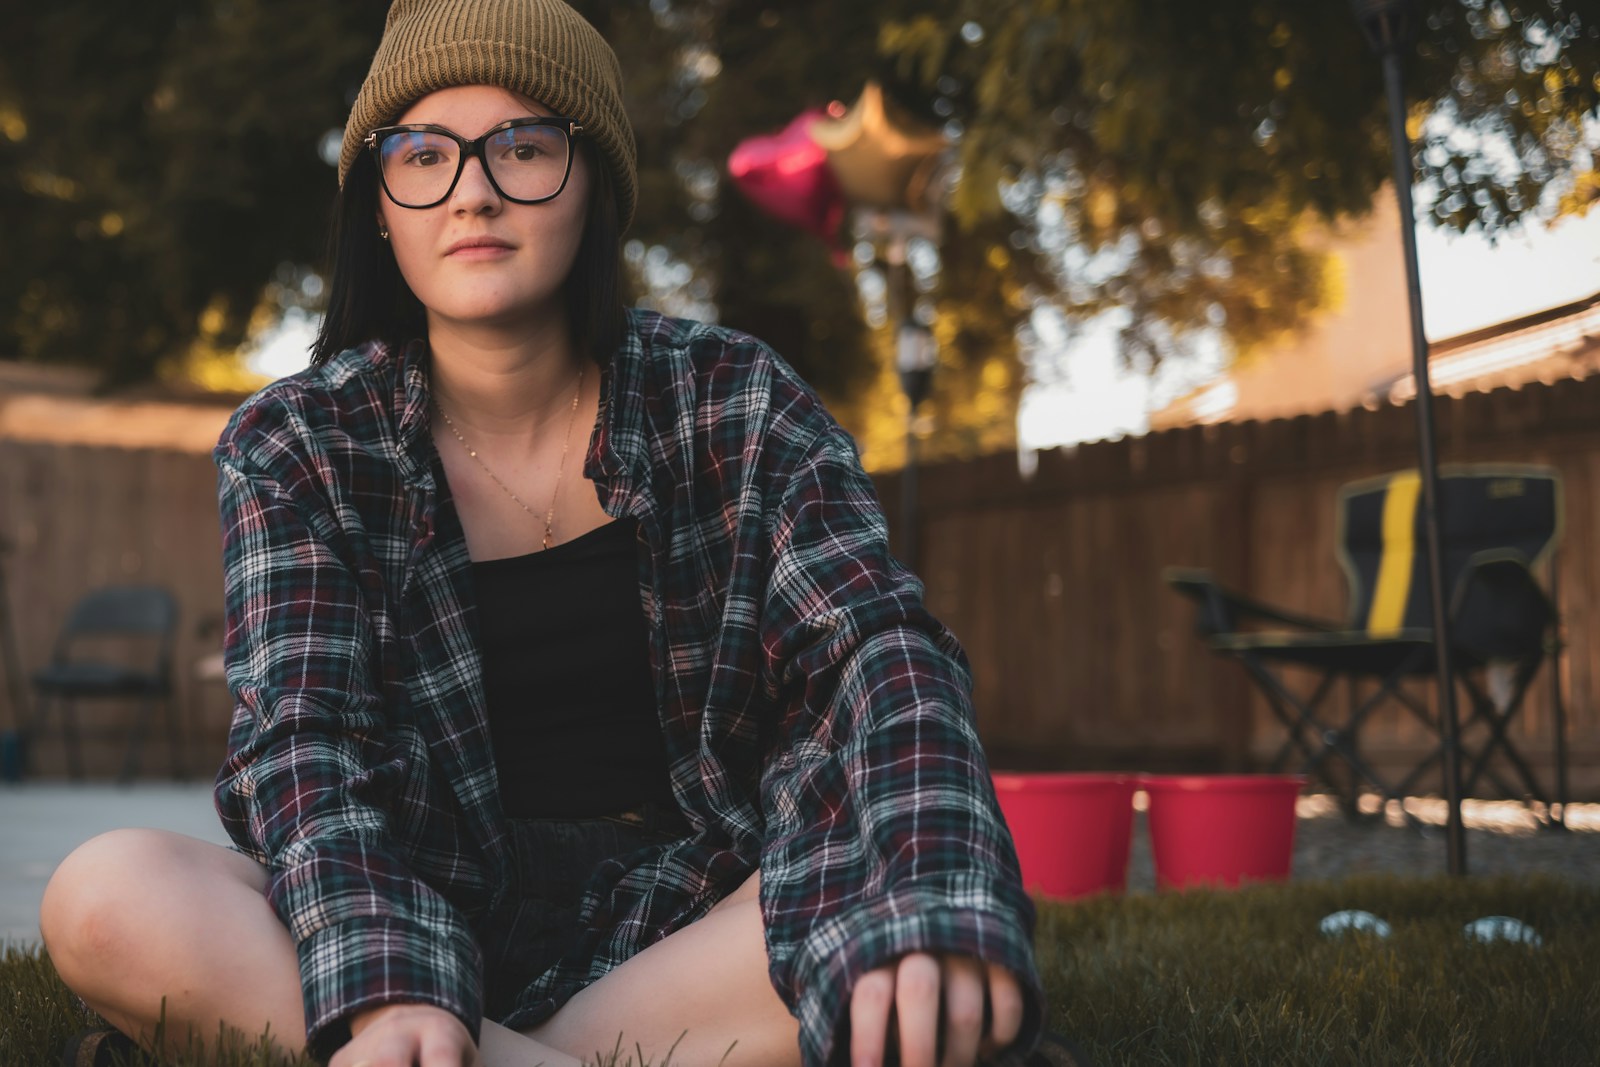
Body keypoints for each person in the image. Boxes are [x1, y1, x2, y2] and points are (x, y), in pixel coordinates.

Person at [41, 2, 1073, 1065]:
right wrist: (387, 977)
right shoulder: (298, 443)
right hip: (420, 917)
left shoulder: (735, 398)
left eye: (524, 147)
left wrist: (928, 889)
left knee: (883, 887)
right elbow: (305, 749)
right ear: (380, 208)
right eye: (423, 154)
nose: (473, 190)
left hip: (703, 922)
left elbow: (878, 654)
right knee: (110, 894)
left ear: (595, 186)